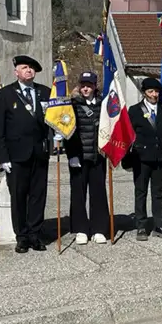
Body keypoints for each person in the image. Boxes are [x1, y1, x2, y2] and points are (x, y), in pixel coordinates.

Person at [0, 55, 53, 253]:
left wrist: (57, 138)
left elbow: (53, 121)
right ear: (16, 71)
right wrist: (3, 158)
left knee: (38, 196)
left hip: (39, 153)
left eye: (32, 68)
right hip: (16, 156)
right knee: (18, 196)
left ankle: (35, 234)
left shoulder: (45, 92)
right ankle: (22, 236)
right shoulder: (6, 94)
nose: (29, 70)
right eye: (25, 67)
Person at [64, 72, 110, 245]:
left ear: (94, 86)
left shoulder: (103, 104)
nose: (85, 88)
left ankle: (99, 229)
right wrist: (71, 155)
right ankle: (81, 229)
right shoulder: (72, 105)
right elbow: (67, 130)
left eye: (89, 85)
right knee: (78, 193)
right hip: (78, 156)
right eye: (83, 85)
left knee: (98, 192)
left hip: (98, 155)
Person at [128, 77, 162, 241]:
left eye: (156, 91)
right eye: (150, 91)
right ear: (144, 93)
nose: (154, 95)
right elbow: (129, 133)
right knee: (141, 192)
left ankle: (159, 225)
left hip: (160, 156)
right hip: (141, 157)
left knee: (158, 192)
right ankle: (141, 226)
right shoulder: (134, 110)